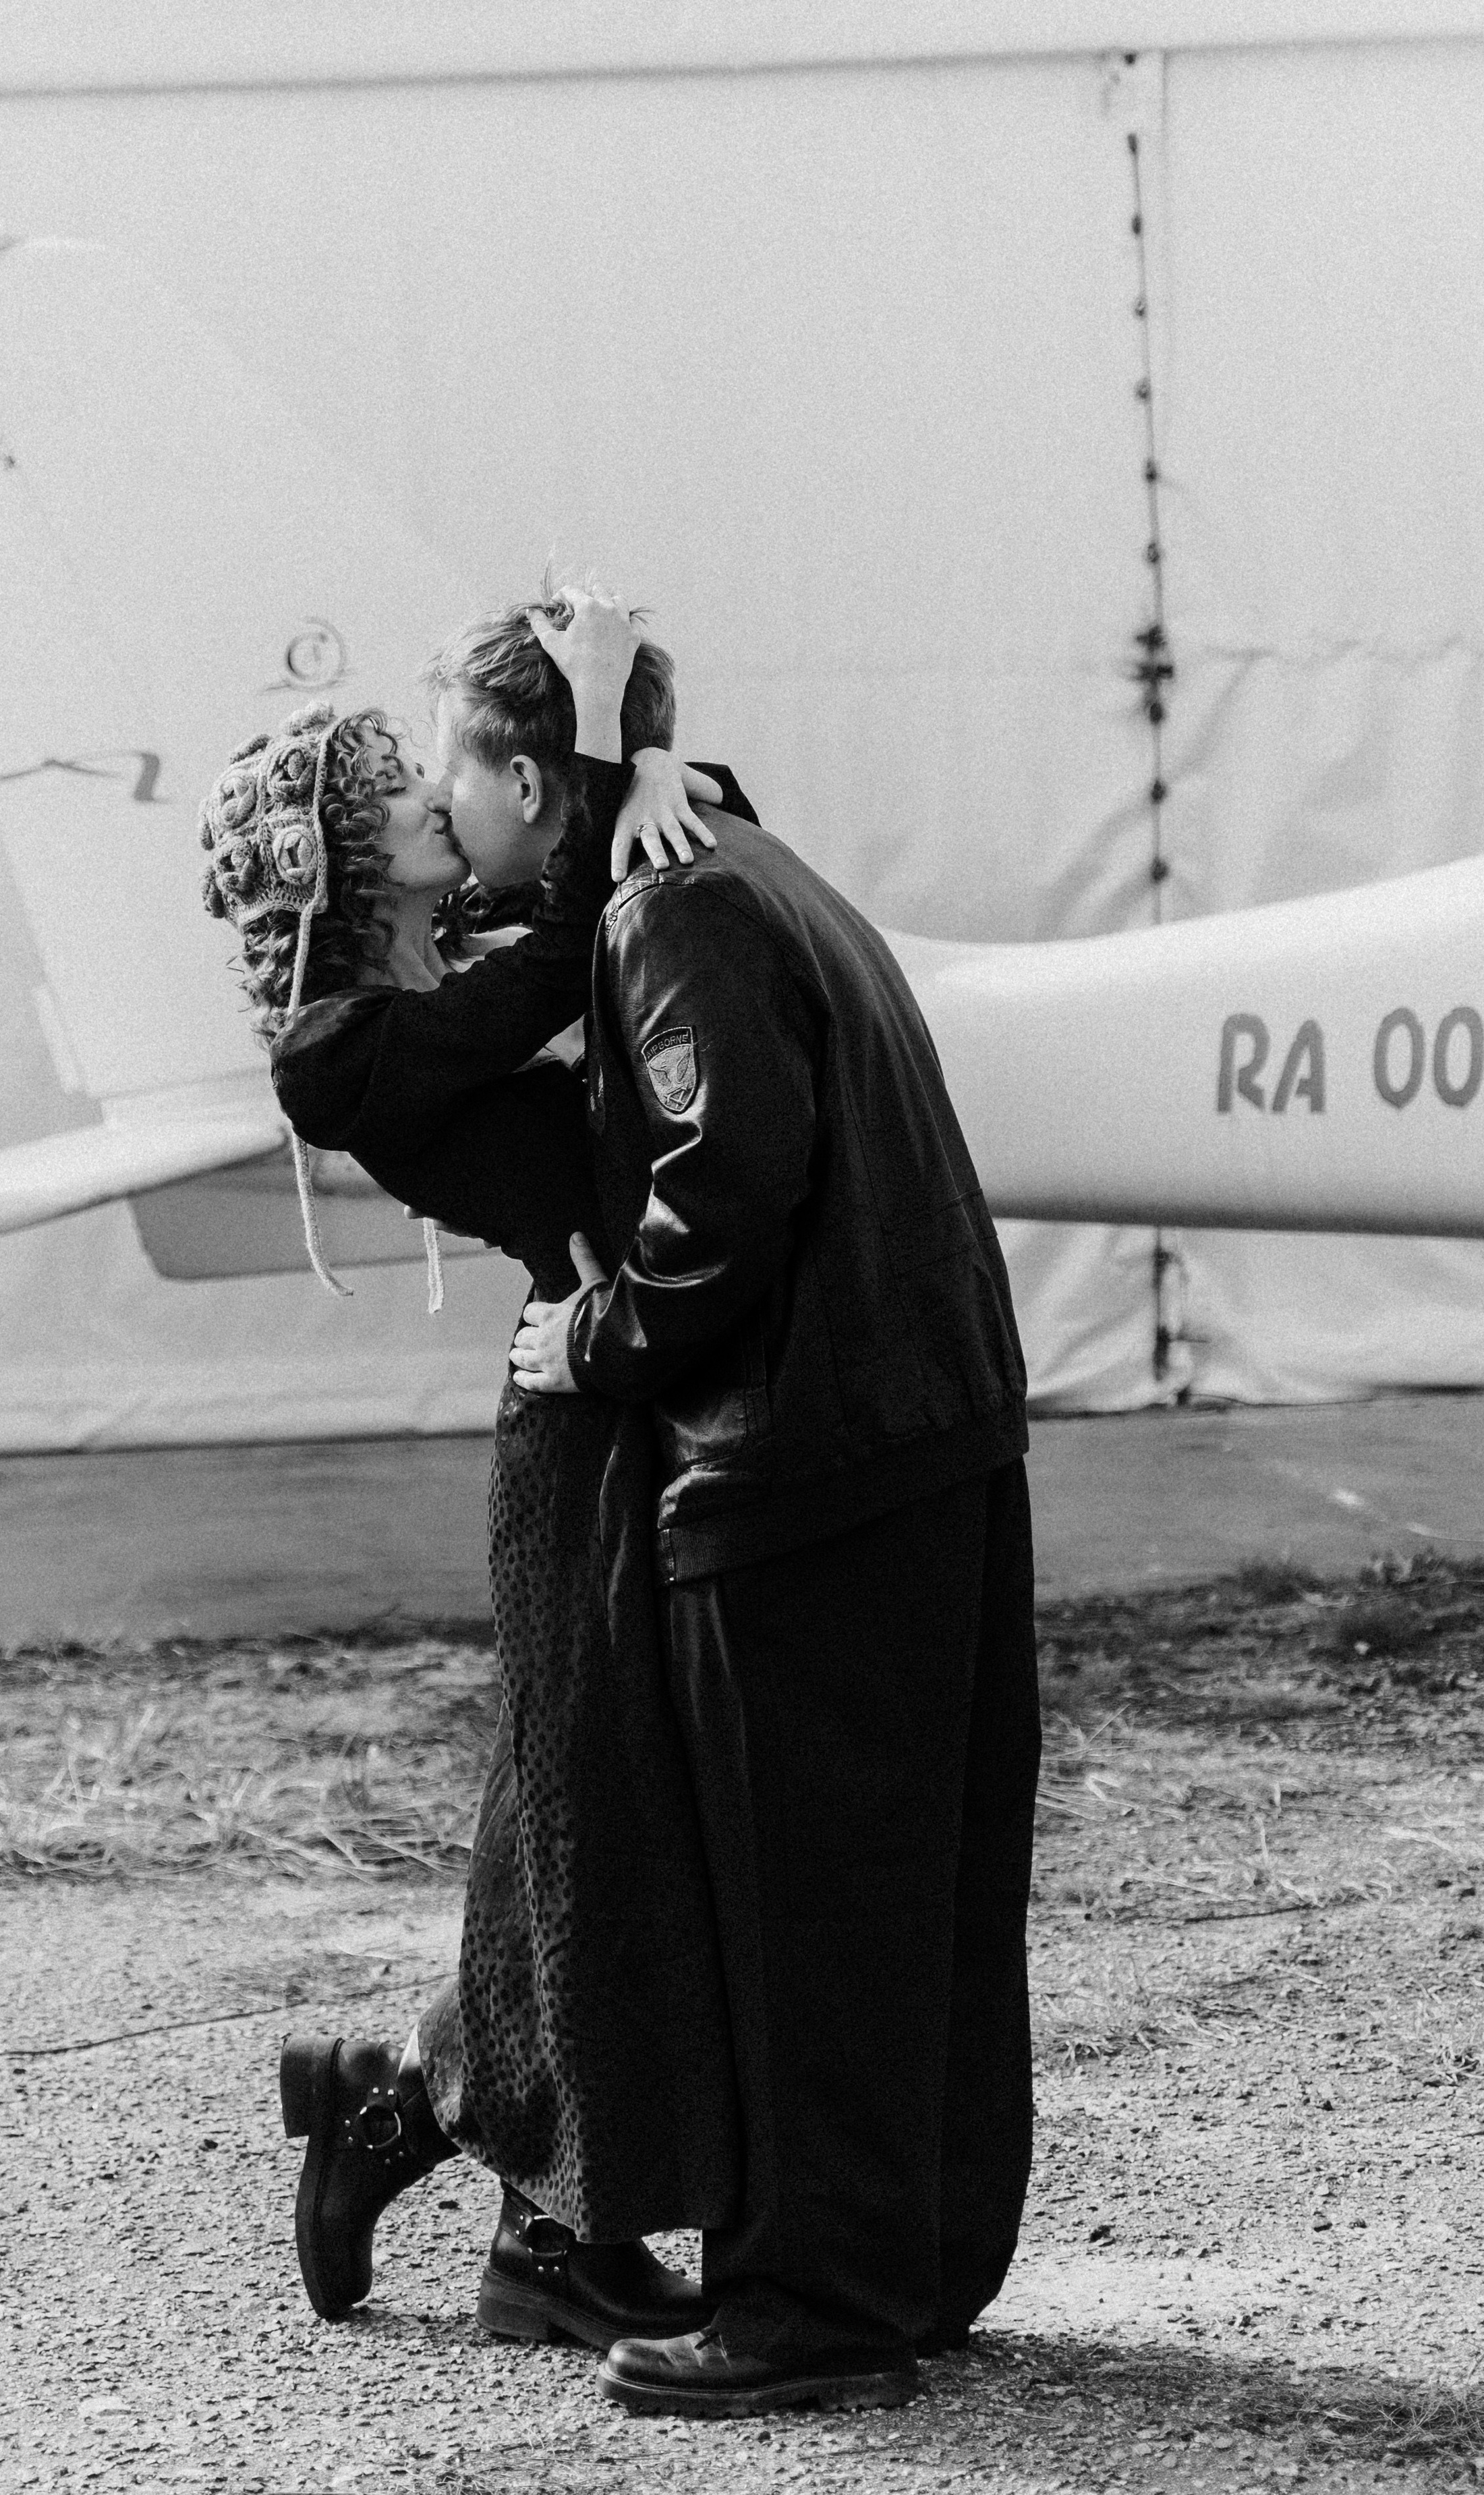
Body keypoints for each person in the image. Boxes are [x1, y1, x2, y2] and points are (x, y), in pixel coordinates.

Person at [443, 605, 1046, 2420]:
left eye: (454, 765)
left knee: (810, 1908)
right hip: (935, 1434)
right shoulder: (753, 863)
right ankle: (921, 2261)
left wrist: (597, 1338)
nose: (443, 805)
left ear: (527, 779)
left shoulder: (663, 909)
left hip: (805, 1473)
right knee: (928, 1889)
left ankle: (815, 2305)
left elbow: (728, 1174)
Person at [199, 588, 750, 2353]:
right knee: (581, 1821)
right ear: (346, 864)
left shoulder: (487, 928)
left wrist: (645, 761)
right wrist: (597, 750)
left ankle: (423, 2127)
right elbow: (570, 946)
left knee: (584, 1818)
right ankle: (519, 2205)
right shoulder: (342, 1051)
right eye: (401, 791)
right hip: (570, 1419)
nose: (441, 795)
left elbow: (660, 858)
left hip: (622, 1376)